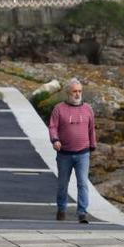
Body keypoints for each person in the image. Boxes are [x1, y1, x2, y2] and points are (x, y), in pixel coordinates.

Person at [49, 78, 96, 224]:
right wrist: (55, 139)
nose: (77, 94)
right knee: (63, 183)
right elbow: (52, 127)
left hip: (83, 153)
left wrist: (92, 145)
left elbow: (91, 128)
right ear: (68, 92)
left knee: (82, 183)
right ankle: (61, 209)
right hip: (64, 154)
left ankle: (82, 213)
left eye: (80, 91)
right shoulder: (59, 109)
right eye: (74, 91)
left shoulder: (88, 109)